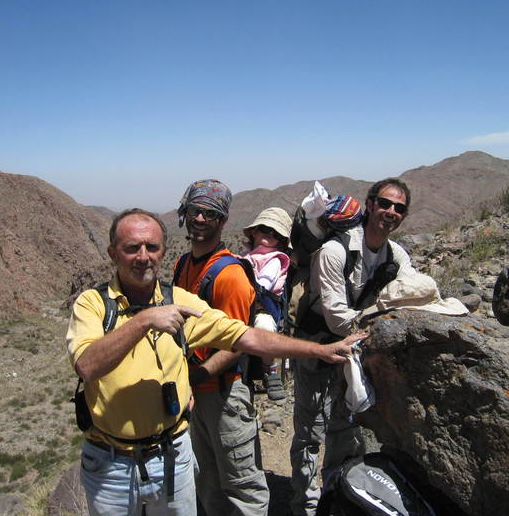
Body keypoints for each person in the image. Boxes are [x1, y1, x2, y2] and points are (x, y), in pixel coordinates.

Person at [67, 208, 362, 516]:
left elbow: (245, 336)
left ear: (163, 252)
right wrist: (144, 321)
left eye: (152, 247)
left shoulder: (178, 301)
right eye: (132, 248)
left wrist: (320, 351)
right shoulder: (94, 304)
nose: (143, 256)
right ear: (113, 253)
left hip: (172, 456)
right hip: (111, 464)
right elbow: (87, 366)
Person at [289, 178, 416, 516]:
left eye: (399, 208)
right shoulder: (335, 250)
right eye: (385, 204)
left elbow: (413, 291)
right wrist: (379, 322)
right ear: (370, 204)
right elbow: (336, 319)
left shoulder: (397, 255)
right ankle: (304, 504)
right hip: (316, 347)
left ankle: (335, 495)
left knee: (345, 426)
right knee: (310, 430)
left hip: (356, 352)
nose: (391, 212)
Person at [172, 180, 270, 516]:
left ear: (222, 221)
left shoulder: (229, 276)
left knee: (243, 485)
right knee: (207, 480)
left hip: (225, 393)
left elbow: (237, 343)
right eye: (195, 210)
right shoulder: (182, 265)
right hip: (196, 391)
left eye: (210, 213)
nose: (200, 218)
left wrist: (196, 377)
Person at [242, 206, 294, 401]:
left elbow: (263, 284)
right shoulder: (247, 256)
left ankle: (269, 370)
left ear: (281, 241)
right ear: (255, 231)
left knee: (263, 327)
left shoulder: (275, 260)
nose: (269, 234)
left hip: (263, 307)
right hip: (245, 305)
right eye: (265, 229)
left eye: (275, 233)